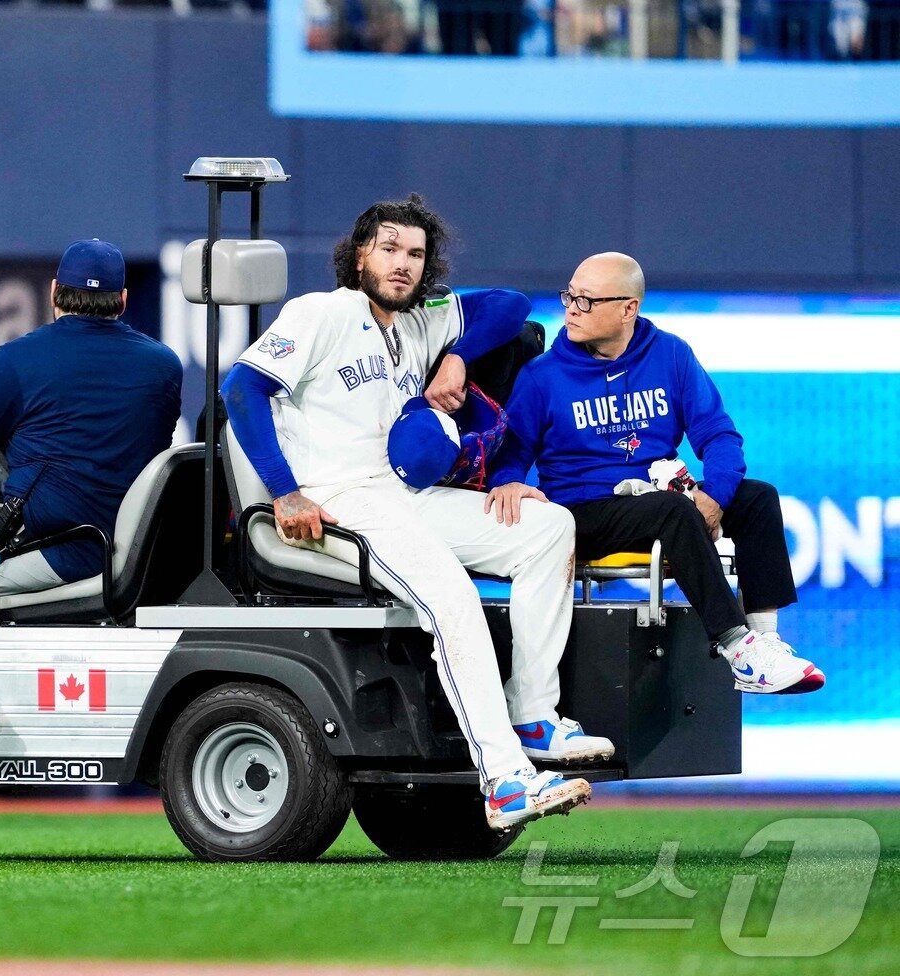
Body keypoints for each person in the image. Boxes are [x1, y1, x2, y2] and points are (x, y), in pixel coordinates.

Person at [220, 194, 612, 832]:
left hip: (408, 497)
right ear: (359, 255)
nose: (402, 263)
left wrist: (456, 354)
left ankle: (532, 714)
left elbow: (511, 306)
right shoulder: (323, 312)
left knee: (547, 529)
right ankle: (504, 780)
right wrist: (286, 492)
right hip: (341, 501)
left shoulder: (424, 320)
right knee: (451, 600)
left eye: (415, 253)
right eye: (388, 248)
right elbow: (241, 387)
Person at [0, 240, 184, 752]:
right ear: (122, 299)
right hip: (134, 550)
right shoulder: (163, 365)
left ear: (54, 293)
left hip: (54, 547)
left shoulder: (18, 359)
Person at [487, 251, 824, 695]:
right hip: (583, 512)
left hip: (657, 499)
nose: (571, 307)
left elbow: (719, 435)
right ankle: (735, 644)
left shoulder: (670, 355)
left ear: (628, 308)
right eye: (570, 295)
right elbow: (508, 453)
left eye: (587, 300)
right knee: (670, 509)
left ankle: (764, 640)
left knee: (758, 497)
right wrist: (507, 479)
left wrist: (716, 496)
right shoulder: (543, 377)